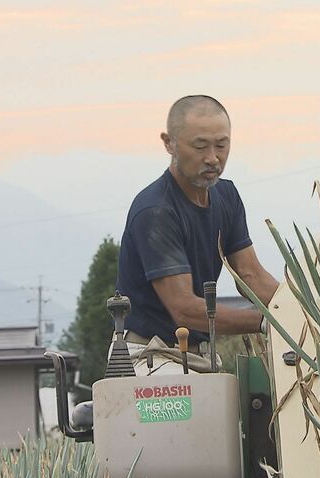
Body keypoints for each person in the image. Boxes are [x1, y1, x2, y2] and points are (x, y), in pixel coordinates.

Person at [116, 95, 279, 350]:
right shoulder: (156, 211)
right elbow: (184, 310)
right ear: (169, 143)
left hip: (201, 352)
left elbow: (251, 276)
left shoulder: (227, 196)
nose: (213, 158)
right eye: (200, 146)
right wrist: (269, 322)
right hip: (152, 356)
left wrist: (305, 310)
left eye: (222, 145)